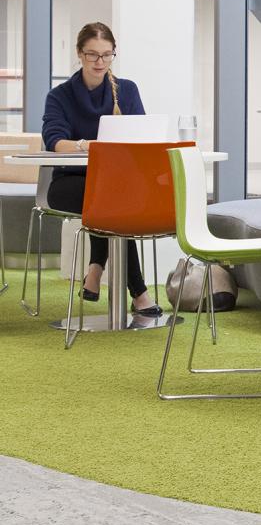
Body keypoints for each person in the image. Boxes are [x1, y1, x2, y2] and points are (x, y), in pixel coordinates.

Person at [42, 22, 161, 317]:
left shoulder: (127, 90)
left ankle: (96, 269)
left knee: (113, 198)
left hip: (115, 184)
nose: (100, 63)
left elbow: (141, 137)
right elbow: (55, 142)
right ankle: (139, 291)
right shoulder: (59, 96)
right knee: (112, 200)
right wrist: (90, 145)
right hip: (69, 184)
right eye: (93, 55)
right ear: (80, 54)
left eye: (107, 55)